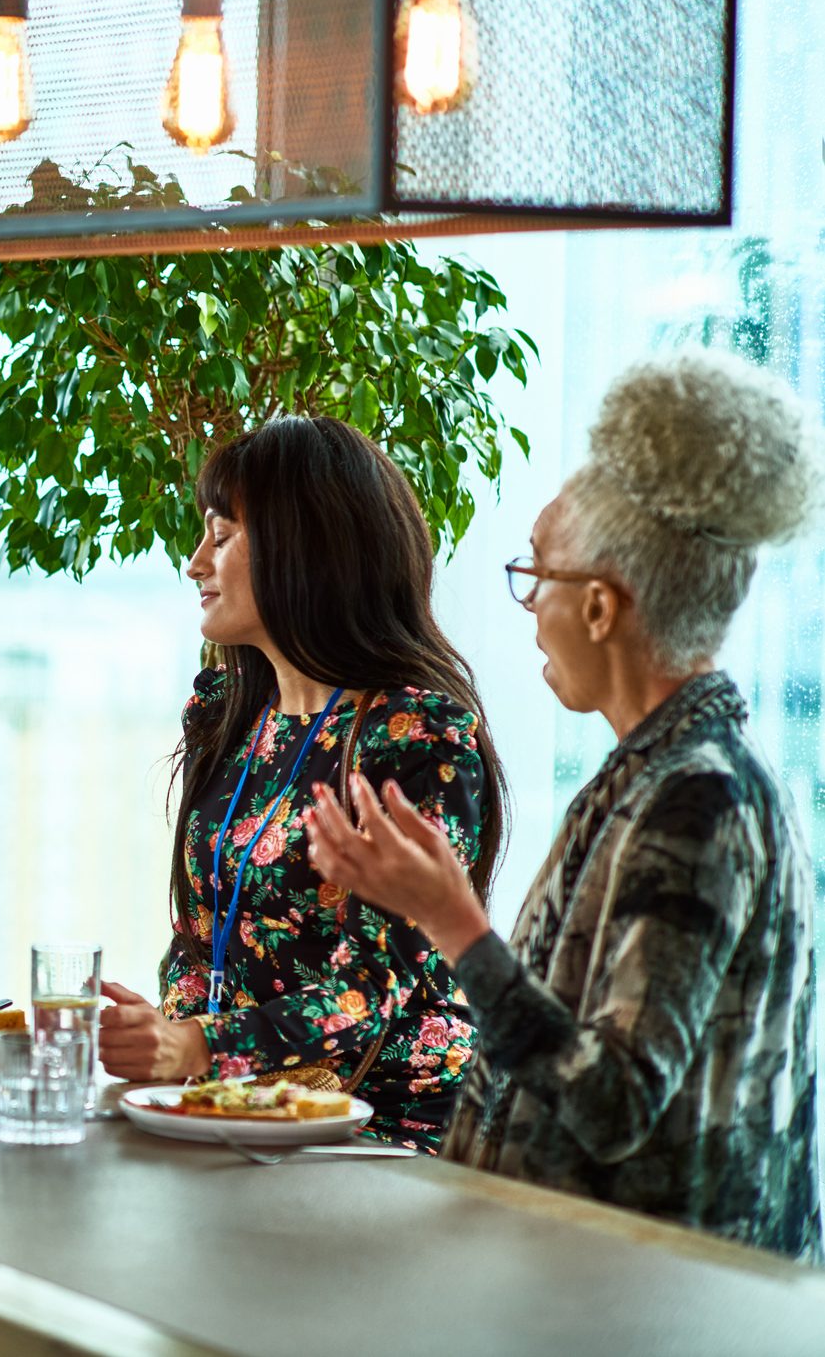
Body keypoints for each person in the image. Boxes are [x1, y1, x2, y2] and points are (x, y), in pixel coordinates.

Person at [306, 352, 821, 1259]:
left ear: (596, 610)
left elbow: (611, 1101)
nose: (526, 603)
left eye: (534, 572)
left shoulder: (697, 797)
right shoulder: (652, 774)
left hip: (663, 1311)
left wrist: (451, 921)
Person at [97, 416, 505, 1152]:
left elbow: (376, 985)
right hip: (240, 1112)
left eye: (220, 538)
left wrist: (197, 1046)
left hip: (388, 1137)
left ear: (303, 550)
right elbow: (199, 939)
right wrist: (164, 1032)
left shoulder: (417, 736)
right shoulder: (227, 716)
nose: (195, 563)